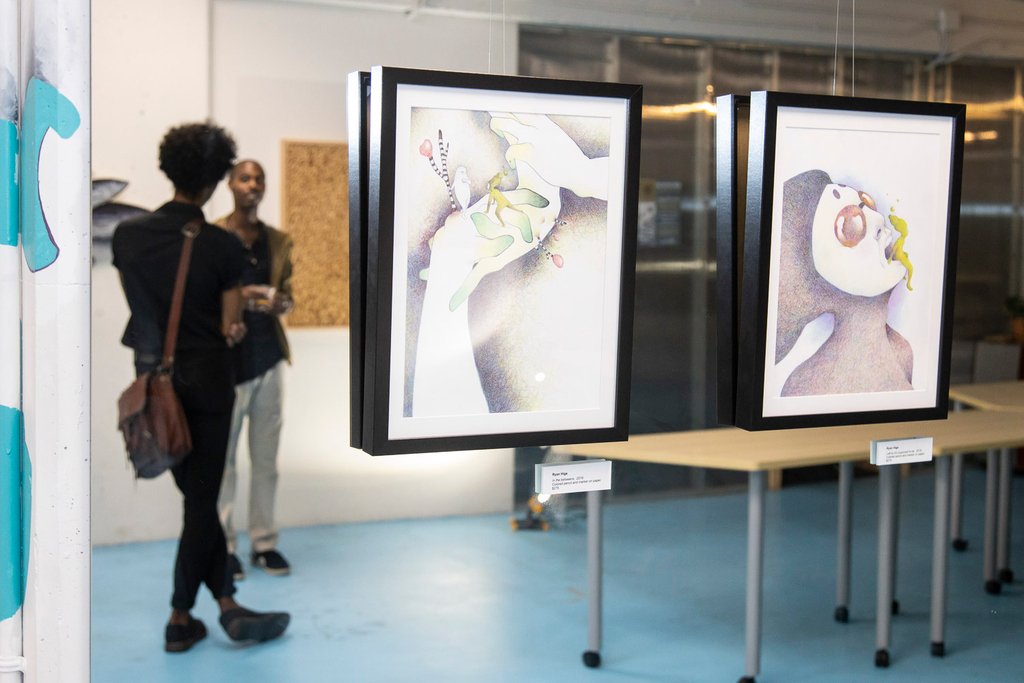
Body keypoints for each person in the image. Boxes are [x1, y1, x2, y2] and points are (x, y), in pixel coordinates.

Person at [112, 123, 290, 653]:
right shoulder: (221, 246)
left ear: (168, 168)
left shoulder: (128, 236)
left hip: (152, 388)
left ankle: (224, 604)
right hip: (209, 386)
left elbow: (146, 307)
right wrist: (232, 321)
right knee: (201, 501)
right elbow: (230, 327)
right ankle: (182, 616)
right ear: (216, 181)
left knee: (197, 498)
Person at [214, 159, 294, 579]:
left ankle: (264, 543)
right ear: (230, 184)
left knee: (266, 461)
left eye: (259, 178)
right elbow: (203, 296)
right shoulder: (212, 236)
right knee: (223, 462)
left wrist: (281, 302)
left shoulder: (277, 241)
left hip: (269, 359)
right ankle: (224, 548)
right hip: (226, 362)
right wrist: (239, 298)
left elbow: (289, 294)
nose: (253, 185)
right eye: (244, 178)